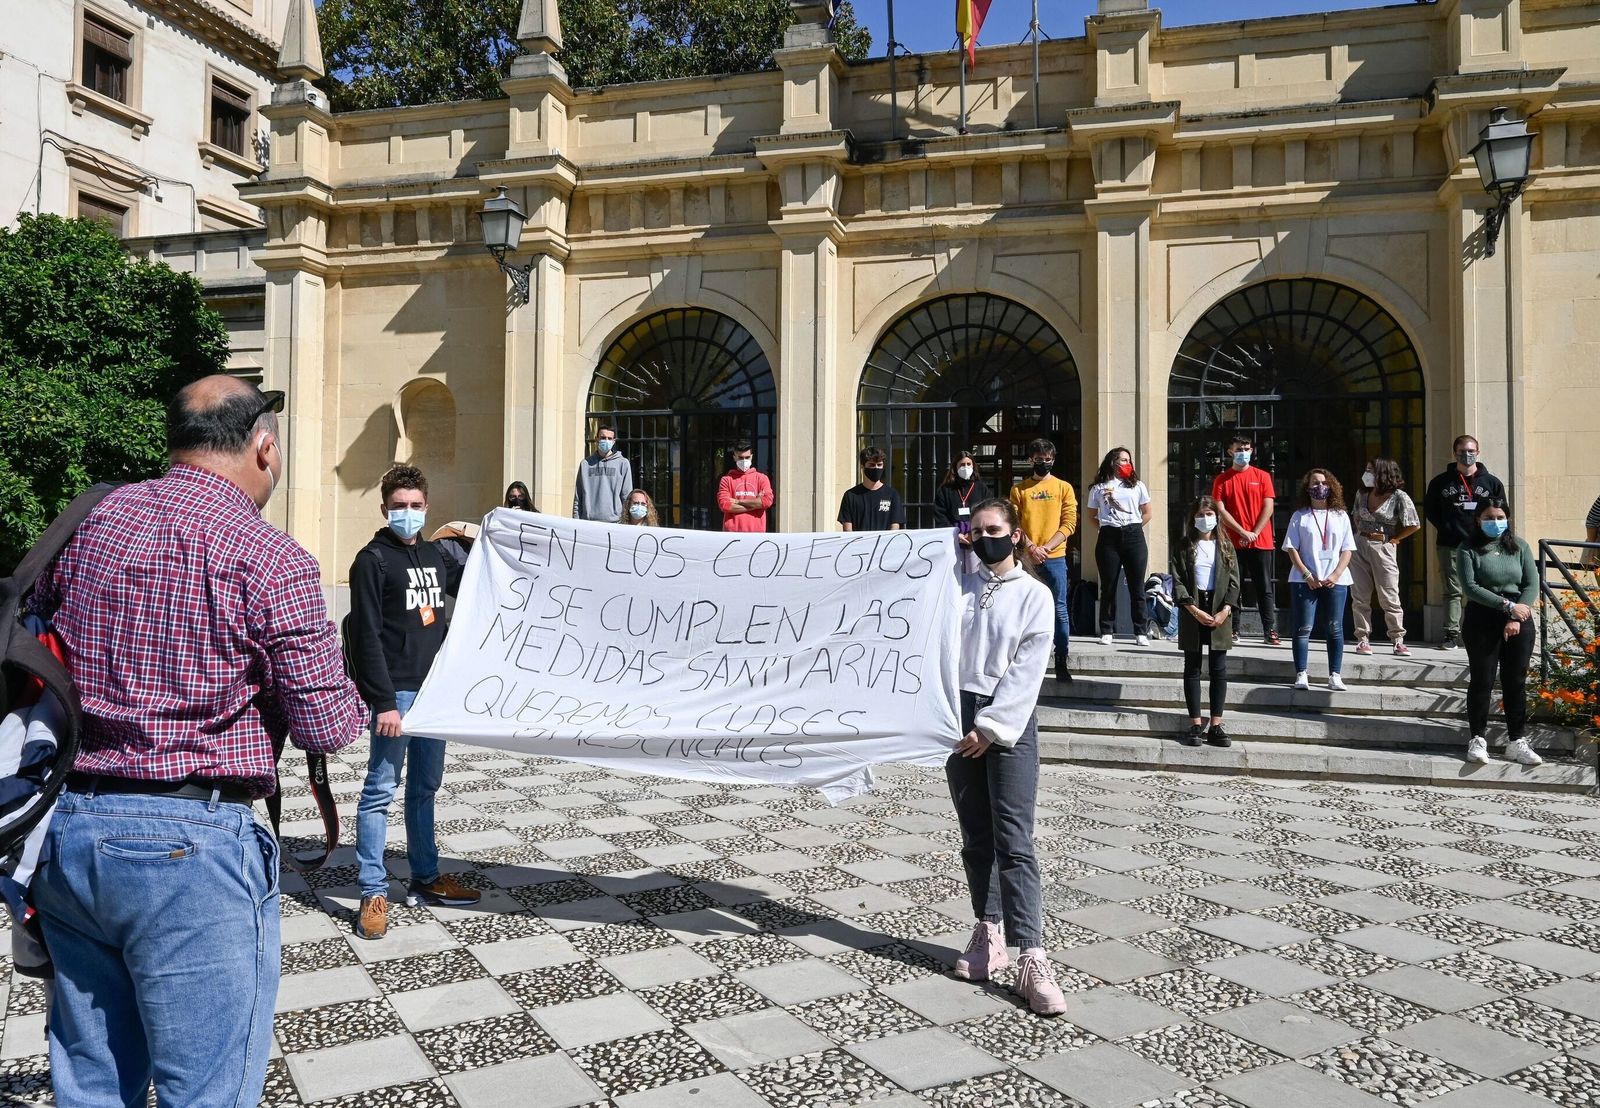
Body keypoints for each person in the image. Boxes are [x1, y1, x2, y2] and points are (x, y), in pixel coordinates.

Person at [30, 376, 365, 1106]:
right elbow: (327, 725)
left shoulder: (92, 521)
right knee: (207, 1089)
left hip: (72, 830)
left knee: (90, 1081)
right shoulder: (270, 556)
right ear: (264, 447)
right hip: (191, 850)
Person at [947, 498, 1066, 1017]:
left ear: (1015, 535)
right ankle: (988, 929)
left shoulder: (1035, 595)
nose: (983, 537)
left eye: (993, 529)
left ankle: (1032, 954)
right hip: (957, 713)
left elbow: (1028, 668)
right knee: (975, 834)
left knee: (1013, 839)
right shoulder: (959, 588)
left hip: (1006, 720)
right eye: (975, 531)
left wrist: (991, 727)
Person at [350, 463, 478, 941]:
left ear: (427, 506)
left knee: (425, 788)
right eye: (399, 507)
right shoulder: (372, 559)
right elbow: (365, 637)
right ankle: (372, 890)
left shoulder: (434, 554)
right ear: (385, 508)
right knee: (380, 789)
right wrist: (383, 702)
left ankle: (425, 877)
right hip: (396, 696)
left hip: (434, 692)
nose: (408, 513)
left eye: (416, 506)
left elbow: (474, 586)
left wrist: (486, 536)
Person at [1458, 500, 1544, 767]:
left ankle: (1516, 740)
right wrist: (1507, 607)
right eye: (1488, 516)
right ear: (1478, 519)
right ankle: (1477, 739)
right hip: (1483, 617)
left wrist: (1518, 614)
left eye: (1500, 516)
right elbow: (1470, 586)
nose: (1495, 521)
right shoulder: (1467, 549)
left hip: (1520, 616)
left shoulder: (1519, 546)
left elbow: (1531, 583)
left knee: (1515, 682)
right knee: (1482, 680)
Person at [1423, 435, 1506, 650]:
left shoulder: (1491, 483)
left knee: (1482, 588)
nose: (1467, 455)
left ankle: (1480, 632)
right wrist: (1447, 527)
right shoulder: (1441, 482)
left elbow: (1502, 511)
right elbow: (1431, 510)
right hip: (1451, 543)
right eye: (1462, 451)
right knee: (1453, 589)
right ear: (1454, 453)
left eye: (1471, 451)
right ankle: (1451, 634)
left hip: (1483, 544)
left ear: (1478, 453)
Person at [1171, 496, 1240, 747]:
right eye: (1200, 515)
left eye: (1209, 514)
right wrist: (1193, 609)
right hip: (1193, 606)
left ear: (1216, 518)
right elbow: (1177, 579)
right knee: (1192, 667)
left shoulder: (1225, 546)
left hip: (1218, 606)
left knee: (1218, 669)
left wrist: (1225, 611)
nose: (1205, 519)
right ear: (1193, 518)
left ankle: (1216, 724)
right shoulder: (1183, 545)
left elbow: (1234, 581)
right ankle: (1195, 724)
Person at [1282, 468, 1357, 692]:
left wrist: (1335, 575)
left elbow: (1348, 549)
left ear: (1331, 486)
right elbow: (1291, 548)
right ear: (1307, 487)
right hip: (1304, 579)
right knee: (1303, 627)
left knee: (1335, 627)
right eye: (1314, 483)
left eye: (1323, 483)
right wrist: (1306, 574)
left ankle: (1335, 674)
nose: (1319, 487)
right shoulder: (1300, 515)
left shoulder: (1340, 515)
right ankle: (1301, 673)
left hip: (1336, 579)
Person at [1010, 438, 1077, 683]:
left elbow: (1069, 522)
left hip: (1055, 557)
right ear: (1031, 460)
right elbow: (1014, 523)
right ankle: (1023, 660)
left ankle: (1061, 659)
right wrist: (1030, 547)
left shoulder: (1063, 487)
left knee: (1059, 609)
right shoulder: (1019, 489)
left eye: (1048, 459)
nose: (1043, 463)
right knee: (1024, 609)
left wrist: (1046, 548)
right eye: (1039, 459)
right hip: (1027, 558)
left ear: (1053, 459)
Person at [1211, 434, 1279, 645]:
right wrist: (1242, 532)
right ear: (1230, 452)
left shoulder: (1263, 476)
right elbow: (1220, 510)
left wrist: (1255, 532)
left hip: (1260, 541)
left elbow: (1268, 507)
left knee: (1264, 587)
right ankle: (1233, 629)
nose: (1243, 453)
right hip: (1233, 541)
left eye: (1247, 448)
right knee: (1233, 586)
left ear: (1252, 451)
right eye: (1239, 449)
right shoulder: (1222, 479)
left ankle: (1270, 630)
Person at [1350, 458, 1421, 656]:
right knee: (1359, 595)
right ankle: (1362, 638)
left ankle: (1398, 639)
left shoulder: (1398, 496)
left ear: (1382, 473)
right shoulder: (1362, 493)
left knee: (1389, 594)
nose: (1367, 474)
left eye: (1370, 471)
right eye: (1366, 470)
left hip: (1383, 544)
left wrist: (1396, 539)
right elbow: (1355, 516)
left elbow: (1414, 523)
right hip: (1359, 543)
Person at [1086, 446, 1154, 646]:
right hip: (1109, 537)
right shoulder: (1098, 487)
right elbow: (1091, 515)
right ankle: (1107, 629)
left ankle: (1140, 630)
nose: (1127, 464)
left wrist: (1132, 527)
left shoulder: (1137, 485)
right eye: (1123, 460)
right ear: (1112, 462)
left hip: (1134, 535)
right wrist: (1106, 528)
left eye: (1129, 460)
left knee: (1137, 586)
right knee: (1108, 586)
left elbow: (1148, 512)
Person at [574, 422, 633, 522]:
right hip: (588, 523)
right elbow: (578, 497)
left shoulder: (623, 463)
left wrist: (626, 523)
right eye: (603, 437)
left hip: (615, 523)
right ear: (596, 439)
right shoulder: (585, 464)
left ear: (614, 441)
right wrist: (576, 521)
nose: (606, 441)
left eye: (609, 438)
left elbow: (627, 497)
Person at [838, 446, 906, 532]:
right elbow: (847, 530)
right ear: (862, 466)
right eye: (872, 465)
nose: (876, 468)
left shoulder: (892, 495)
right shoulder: (850, 495)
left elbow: (895, 527)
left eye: (879, 465)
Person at [718, 441, 774, 532]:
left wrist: (738, 501)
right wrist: (756, 505)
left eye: (747, 457)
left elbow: (767, 501)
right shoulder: (726, 480)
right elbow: (725, 505)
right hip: (732, 535)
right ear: (734, 458)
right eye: (740, 458)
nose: (744, 461)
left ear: (751, 457)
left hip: (756, 535)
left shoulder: (762, 478)